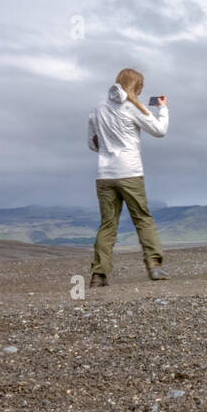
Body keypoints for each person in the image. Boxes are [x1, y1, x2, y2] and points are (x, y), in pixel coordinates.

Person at [86, 68, 169, 286]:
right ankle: (154, 267)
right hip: (130, 172)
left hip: (104, 174)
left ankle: (98, 275)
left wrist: (108, 149)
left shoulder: (97, 110)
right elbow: (160, 131)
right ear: (136, 87)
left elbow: (92, 144)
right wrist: (162, 109)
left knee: (107, 224)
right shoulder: (133, 108)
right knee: (142, 218)